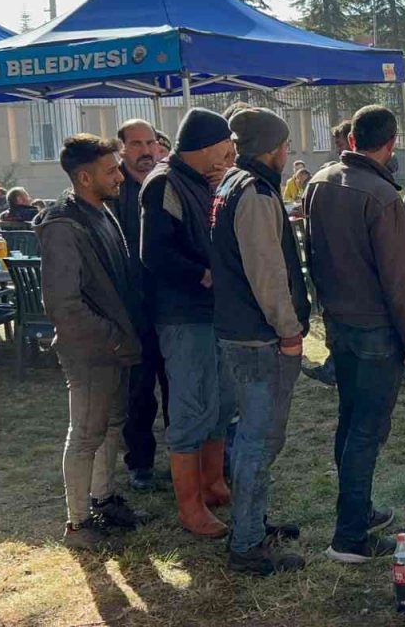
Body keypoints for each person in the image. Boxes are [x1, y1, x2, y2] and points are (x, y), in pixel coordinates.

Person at [303, 105, 405, 563]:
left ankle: (359, 509)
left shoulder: (320, 181)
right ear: (390, 144)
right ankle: (350, 534)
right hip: (374, 328)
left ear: (352, 138)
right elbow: (400, 279)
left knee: (351, 423)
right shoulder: (382, 196)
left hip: (340, 322)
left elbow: (312, 254)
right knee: (366, 432)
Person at [34, 134, 149, 550]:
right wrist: (112, 338)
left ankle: (104, 499)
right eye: (111, 170)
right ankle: (78, 523)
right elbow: (63, 305)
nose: (120, 175)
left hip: (116, 346)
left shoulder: (102, 211)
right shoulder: (63, 224)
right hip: (90, 350)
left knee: (111, 425)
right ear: (84, 177)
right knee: (85, 434)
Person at [211, 107, 312, 575]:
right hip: (258, 338)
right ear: (274, 150)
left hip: (244, 333)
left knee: (256, 438)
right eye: (285, 146)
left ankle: (254, 523)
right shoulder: (252, 192)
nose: (287, 153)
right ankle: (247, 541)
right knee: (258, 440)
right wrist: (288, 330)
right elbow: (267, 272)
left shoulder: (233, 184)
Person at [141, 108, 235, 538]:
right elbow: (156, 254)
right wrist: (202, 274)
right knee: (191, 409)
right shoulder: (164, 183)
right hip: (183, 315)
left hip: (213, 313)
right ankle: (190, 507)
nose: (231, 155)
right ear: (207, 147)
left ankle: (212, 484)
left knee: (219, 404)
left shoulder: (202, 180)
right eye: (226, 148)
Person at [112, 119, 171, 492]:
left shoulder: (166, 182)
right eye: (136, 144)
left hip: (168, 305)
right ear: (122, 149)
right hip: (128, 310)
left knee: (178, 386)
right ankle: (140, 462)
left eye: (150, 142)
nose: (145, 150)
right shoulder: (111, 188)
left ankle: (189, 457)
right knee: (137, 391)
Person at [301, 120, 354, 388]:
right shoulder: (329, 173)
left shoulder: (366, 175)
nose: (337, 149)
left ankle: (336, 369)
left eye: (340, 143)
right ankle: (334, 367)